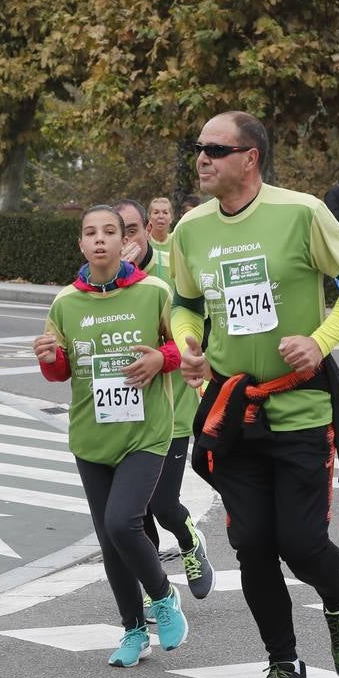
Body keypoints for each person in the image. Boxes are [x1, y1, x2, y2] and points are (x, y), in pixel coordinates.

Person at [171, 111, 339, 678]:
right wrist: (188, 344)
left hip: (301, 407)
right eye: (198, 148)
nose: (201, 159)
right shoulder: (190, 230)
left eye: (214, 149)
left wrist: (321, 339)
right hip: (233, 412)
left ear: (250, 157)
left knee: (303, 543)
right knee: (253, 543)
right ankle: (284, 665)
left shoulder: (301, 212)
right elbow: (185, 303)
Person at [34, 205, 191, 667]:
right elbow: (60, 371)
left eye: (109, 232)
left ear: (127, 243)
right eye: (90, 233)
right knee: (109, 539)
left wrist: (162, 358)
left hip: (146, 430)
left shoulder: (155, 292)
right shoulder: (66, 302)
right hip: (91, 435)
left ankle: (163, 598)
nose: (99, 240)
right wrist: (47, 356)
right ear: (81, 244)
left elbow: (182, 343)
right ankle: (132, 631)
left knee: (124, 521)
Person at [112, 198, 214, 602]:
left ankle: (189, 541)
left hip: (172, 404)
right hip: (125, 409)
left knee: (162, 503)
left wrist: (166, 357)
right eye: (117, 231)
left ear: (147, 230)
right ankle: (156, 591)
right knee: (133, 512)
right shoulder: (102, 283)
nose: (125, 241)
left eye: (132, 230)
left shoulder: (171, 269)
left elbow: (196, 332)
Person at [147, 196, 174, 272]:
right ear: (149, 218)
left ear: (171, 218)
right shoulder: (143, 242)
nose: (161, 216)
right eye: (156, 212)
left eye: (165, 213)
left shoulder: (176, 242)